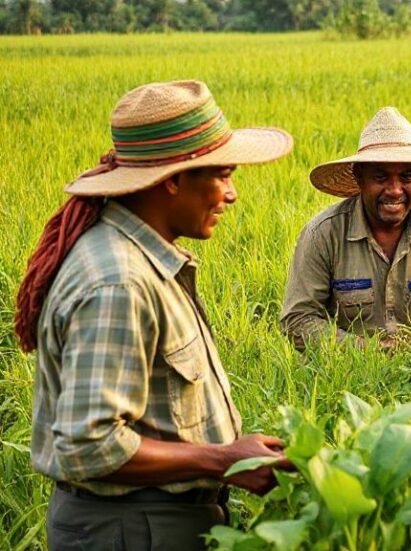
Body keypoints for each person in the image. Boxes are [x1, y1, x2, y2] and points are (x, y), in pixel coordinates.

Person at [14, 80, 293, 550]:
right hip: (130, 528)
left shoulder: (144, 260)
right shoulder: (118, 283)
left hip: (150, 523)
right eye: (222, 175)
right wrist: (220, 459)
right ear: (172, 180)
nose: (231, 194)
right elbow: (89, 447)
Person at [281, 107, 411, 352]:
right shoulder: (323, 234)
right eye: (380, 178)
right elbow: (298, 318)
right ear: (359, 177)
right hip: (347, 373)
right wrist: (367, 350)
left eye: (406, 177)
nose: (395, 190)